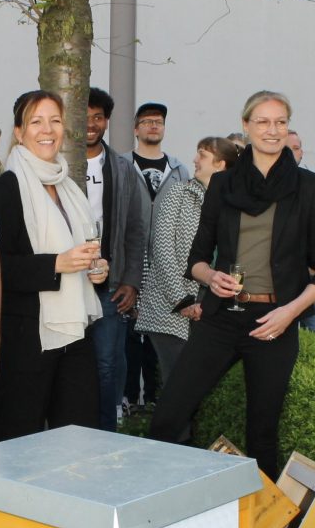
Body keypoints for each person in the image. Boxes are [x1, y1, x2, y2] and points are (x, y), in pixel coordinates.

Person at [149, 91, 315, 479]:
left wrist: (289, 313)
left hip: (276, 322)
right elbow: (197, 259)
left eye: (280, 122)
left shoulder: (310, 187)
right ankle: (168, 509)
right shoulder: (223, 184)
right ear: (247, 126)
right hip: (222, 319)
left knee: (262, 435)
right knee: (167, 417)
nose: (273, 130)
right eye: (264, 122)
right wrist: (210, 276)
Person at [0, 89, 109, 444]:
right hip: (26, 338)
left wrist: (95, 268)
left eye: (54, 120)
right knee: (17, 443)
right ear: (19, 132)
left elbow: (83, 251)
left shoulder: (68, 187)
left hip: (75, 332)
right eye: (36, 121)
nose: (47, 129)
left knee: (79, 440)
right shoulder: (4, 188)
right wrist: (57, 264)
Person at [136, 137, 239, 385]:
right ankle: (173, 426)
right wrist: (181, 300)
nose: (194, 160)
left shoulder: (234, 203)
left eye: (202, 155)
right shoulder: (178, 192)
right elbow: (161, 248)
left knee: (201, 385)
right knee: (178, 383)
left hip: (212, 305)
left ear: (220, 164)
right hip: (170, 307)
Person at [85, 87, 147, 430]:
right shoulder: (60, 163)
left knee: (108, 362)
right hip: (65, 280)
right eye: (86, 116)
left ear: (107, 121)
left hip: (109, 284)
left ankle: (105, 432)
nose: (92, 124)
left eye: (98, 117)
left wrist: (131, 281)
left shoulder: (122, 169)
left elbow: (136, 230)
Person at [122, 102, 190, 407]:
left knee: (158, 330)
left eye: (158, 121)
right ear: (136, 129)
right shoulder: (122, 164)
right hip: (132, 257)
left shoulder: (178, 169)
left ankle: (153, 398)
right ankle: (128, 397)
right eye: (147, 121)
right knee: (128, 331)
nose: (153, 126)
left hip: (167, 261)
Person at [287, 130, 315, 336]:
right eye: (287, 149)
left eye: (296, 148)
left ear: (302, 152)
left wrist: (314, 266)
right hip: (282, 277)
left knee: (314, 331)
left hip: (310, 277)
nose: (292, 153)